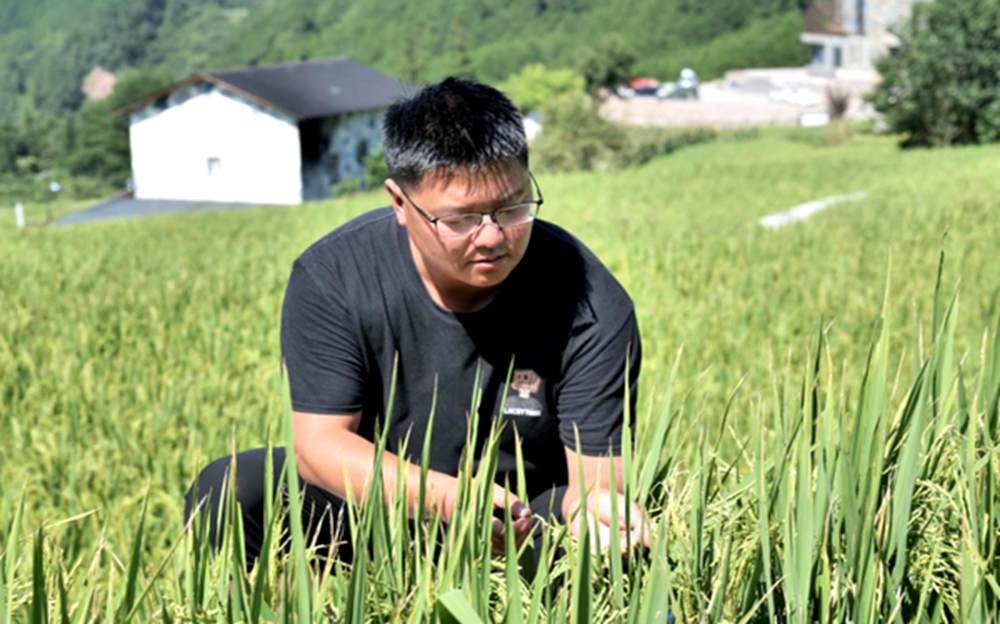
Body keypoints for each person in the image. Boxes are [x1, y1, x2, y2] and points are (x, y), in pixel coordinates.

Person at [185, 77, 648, 567]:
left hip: (521, 518)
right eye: (461, 220)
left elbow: (596, 485)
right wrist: (447, 500)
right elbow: (318, 445)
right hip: (379, 502)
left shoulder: (589, 300)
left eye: (512, 208)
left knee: (609, 542)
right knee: (232, 488)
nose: (492, 237)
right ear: (400, 203)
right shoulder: (334, 277)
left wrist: (601, 511)